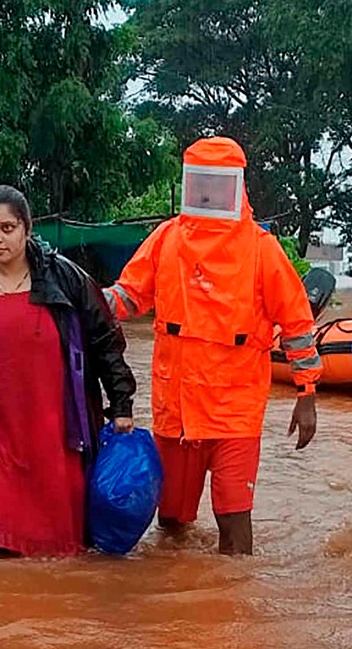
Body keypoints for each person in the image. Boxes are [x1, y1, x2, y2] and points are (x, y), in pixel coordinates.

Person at [103, 136, 321, 555]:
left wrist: (307, 391)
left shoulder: (261, 249)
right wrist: (85, 299)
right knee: (170, 520)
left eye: (218, 183)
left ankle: (232, 610)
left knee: (234, 519)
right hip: (177, 406)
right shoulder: (167, 238)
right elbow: (129, 297)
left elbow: (296, 322)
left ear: (237, 185)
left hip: (234, 410)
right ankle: (178, 607)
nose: (208, 192)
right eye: (200, 182)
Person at [0, 186, 136, 556]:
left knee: (58, 551)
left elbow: (105, 340)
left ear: (27, 228)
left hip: (56, 426)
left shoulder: (66, 278)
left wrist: (121, 404)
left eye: (7, 227)